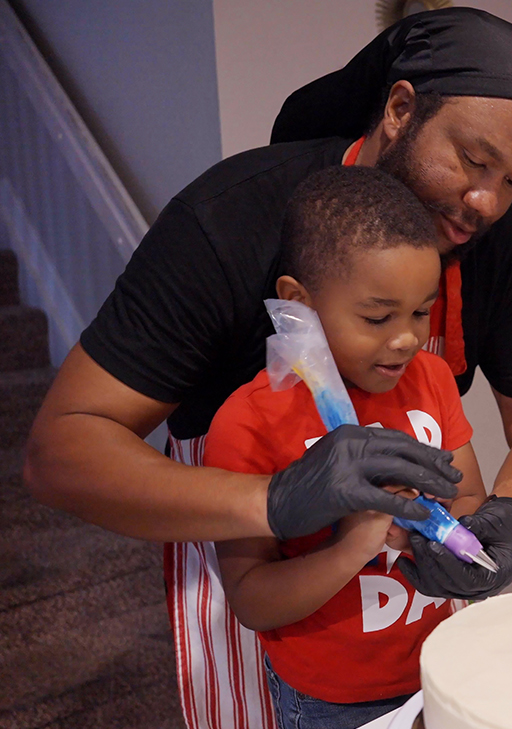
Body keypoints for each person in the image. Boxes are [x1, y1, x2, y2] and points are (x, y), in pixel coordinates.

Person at [24, 8, 512, 729]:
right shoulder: (229, 221)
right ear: (400, 107)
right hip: (246, 547)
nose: (488, 202)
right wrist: (275, 501)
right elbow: (60, 452)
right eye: (474, 161)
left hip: (408, 608)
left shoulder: (504, 245)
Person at [206, 166, 484, 728]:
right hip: (332, 700)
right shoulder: (249, 421)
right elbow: (252, 598)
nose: (405, 337)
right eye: (378, 316)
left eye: (420, 311)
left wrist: (457, 539)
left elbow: (470, 494)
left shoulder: (430, 379)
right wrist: (351, 546)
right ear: (298, 302)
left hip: (442, 666)